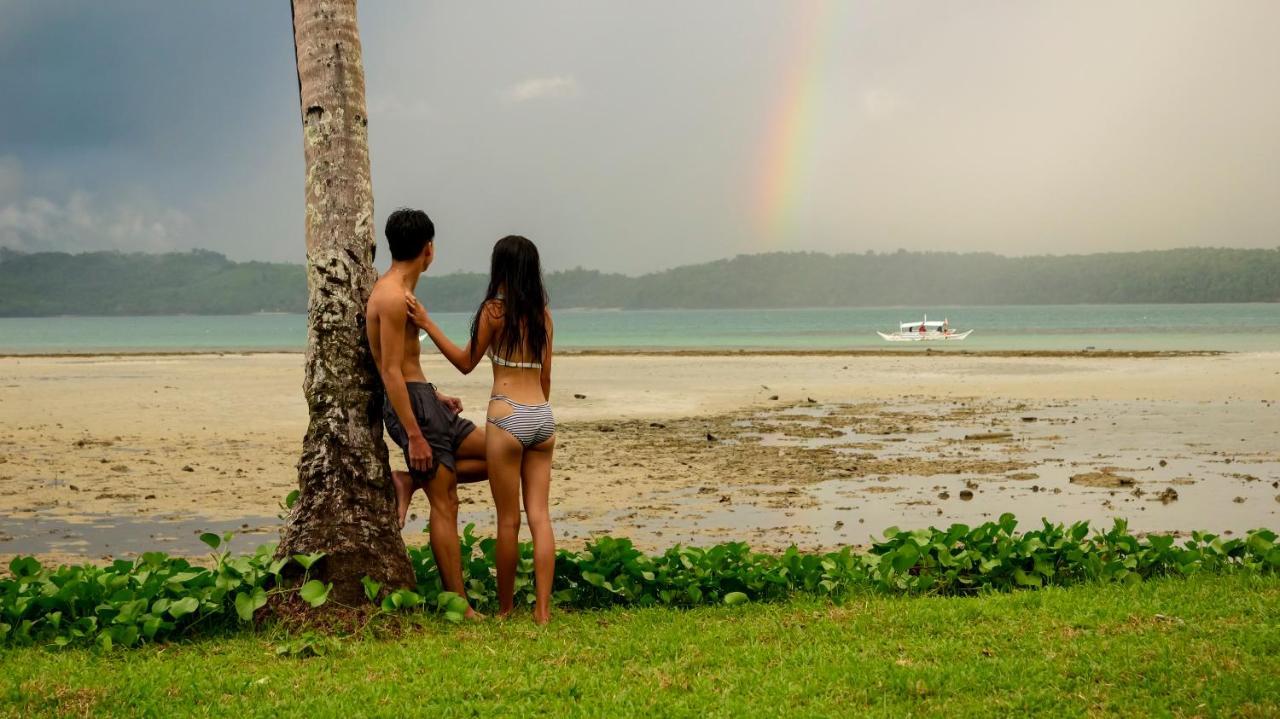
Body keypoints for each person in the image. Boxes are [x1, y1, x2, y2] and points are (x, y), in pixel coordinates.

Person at [406, 235, 556, 624]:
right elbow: (547, 378)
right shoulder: (544, 315)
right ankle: (542, 612)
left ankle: (506, 610)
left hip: (506, 416)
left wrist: (426, 323)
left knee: (509, 520)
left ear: (500, 268)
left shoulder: (493, 312)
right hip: (542, 416)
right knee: (540, 516)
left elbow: (465, 362)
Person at [365, 208, 488, 620]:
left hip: (425, 398)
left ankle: (412, 480)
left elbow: (406, 365)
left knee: (505, 453)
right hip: (412, 408)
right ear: (429, 250)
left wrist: (436, 393)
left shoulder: (403, 294)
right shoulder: (391, 297)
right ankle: (459, 605)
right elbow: (389, 370)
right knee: (446, 501)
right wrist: (415, 436)